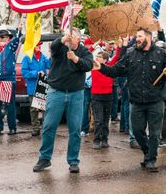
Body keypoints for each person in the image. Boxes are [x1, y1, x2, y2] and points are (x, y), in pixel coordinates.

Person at [94, 28, 166, 172]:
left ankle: (151, 159)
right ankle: (147, 153)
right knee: (138, 131)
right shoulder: (130, 53)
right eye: (136, 36)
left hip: (155, 100)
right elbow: (116, 70)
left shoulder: (162, 54)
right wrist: (101, 67)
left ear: (148, 37)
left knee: (154, 133)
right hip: (136, 101)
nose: (136, 39)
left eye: (139, 36)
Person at [33, 28, 93, 173]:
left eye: (71, 37)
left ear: (78, 39)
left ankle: (73, 161)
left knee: (75, 129)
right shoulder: (60, 48)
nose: (68, 39)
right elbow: (53, 46)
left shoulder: (84, 51)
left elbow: (89, 65)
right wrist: (62, 39)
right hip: (56, 92)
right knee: (49, 126)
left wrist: (75, 59)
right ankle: (44, 158)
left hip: (76, 93)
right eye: (67, 36)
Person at [0, 24, 22, 135]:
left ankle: (12, 127)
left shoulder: (11, 47)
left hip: (8, 79)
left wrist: (19, 29)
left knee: (10, 105)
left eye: (3, 37)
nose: (0, 39)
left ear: (8, 38)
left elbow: (17, 39)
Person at [21, 42, 51, 136]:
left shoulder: (43, 57)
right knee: (34, 109)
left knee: (45, 108)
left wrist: (51, 55)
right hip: (33, 87)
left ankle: (46, 127)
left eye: (39, 45)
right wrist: (36, 73)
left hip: (43, 87)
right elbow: (24, 73)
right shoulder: (26, 58)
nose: (38, 47)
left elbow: (50, 65)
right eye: (36, 45)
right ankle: (35, 128)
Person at [91, 51, 113, 149]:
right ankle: (96, 140)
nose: (97, 58)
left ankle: (104, 140)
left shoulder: (110, 67)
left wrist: (122, 45)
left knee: (105, 120)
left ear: (105, 60)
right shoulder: (93, 66)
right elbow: (88, 52)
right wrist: (94, 45)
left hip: (108, 96)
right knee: (98, 120)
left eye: (99, 57)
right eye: (97, 56)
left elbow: (117, 56)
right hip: (96, 96)